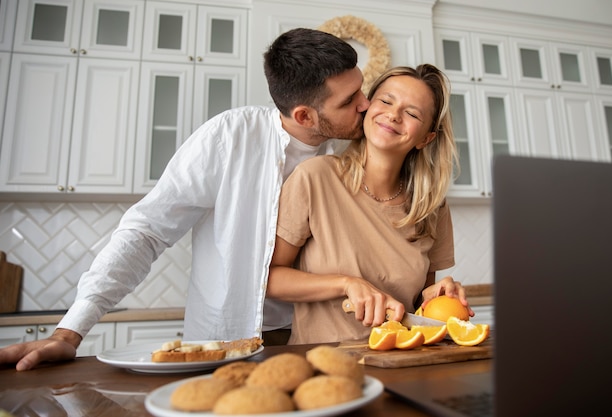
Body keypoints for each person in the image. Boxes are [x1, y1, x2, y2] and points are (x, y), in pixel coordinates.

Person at [0, 28, 369, 371]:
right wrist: (70, 331)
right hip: (229, 339)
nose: (366, 105)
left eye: (362, 90)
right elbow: (147, 231)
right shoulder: (229, 138)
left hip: (324, 337)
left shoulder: (363, 149)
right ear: (304, 115)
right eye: (350, 100)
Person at [266, 64, 473, 344]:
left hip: (402, 360)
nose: (393, 114)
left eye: (412, 113)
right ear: (368, 107)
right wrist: (346, 283)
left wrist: (436, 294)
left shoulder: (431, 206)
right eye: (386, 101)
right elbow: (269, 279)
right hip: (324, 364)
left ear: (426, 138)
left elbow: (422, 303)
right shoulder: (316, 177)